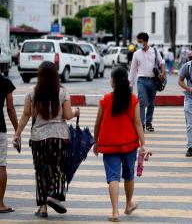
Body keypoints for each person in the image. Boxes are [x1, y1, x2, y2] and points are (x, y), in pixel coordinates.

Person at [13, 61, 80, 218]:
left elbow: (26, 114)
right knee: (58, 168)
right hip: (59, 137)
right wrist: (76, 112)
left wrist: (17, 134)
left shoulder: (32, 92)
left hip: (39, 138)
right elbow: (68, 115)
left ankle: (43, 207)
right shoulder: (63, 92)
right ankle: (53, 195)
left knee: (41, 170)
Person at [93, 66, 146, 222]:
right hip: (130, 144)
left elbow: (97, 124)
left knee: (113, 177)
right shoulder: (133, 99)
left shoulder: (105, 100)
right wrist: (143, 143)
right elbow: (138, 123)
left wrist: (96, 142)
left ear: (114, 81)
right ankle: (128, 204)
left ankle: (115, 212)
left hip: (109, 145)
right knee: (129, 175)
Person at [129, 32, 166, 132]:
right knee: (142, 101)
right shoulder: (136, 54)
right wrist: (130, 85)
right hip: (141, 81)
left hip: (153, 81)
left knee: (151, 103)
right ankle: (142, 123)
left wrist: (163, 72)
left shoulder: (154, 51)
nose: (139, 44)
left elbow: (162, 62)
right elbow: (133, 70)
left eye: (140, 42)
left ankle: (149, 122)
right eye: (138, 42)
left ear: (146, 41)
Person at [0, 74, 18, 213]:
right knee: (1, 165)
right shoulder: (4, 82)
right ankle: (0, 204)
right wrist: (17, 130)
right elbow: (10, 109)